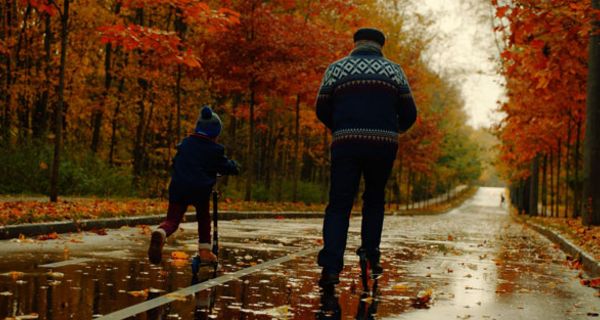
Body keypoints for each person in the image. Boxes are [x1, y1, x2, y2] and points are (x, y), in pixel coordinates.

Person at [315, 28, 417, 288]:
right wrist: (394, 130)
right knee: (374, 199)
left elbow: (322, 107)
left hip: (346, 143)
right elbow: (409, 112)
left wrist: (340, 128)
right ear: (381, 46)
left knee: (339, 203)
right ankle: (370, 255)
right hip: (383, 145)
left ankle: (331, 268)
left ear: (356, 43)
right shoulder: (394, 71)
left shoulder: (336, 70)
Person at [148, 106, 239, 265]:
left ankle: (161, 232)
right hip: (199, 190)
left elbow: (176, 162)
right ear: (215, 134)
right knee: (203, 218)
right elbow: (224, 166)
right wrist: (234, 167)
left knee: (172, 220)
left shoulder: (185, 143)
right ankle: (204, 251)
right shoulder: (215, 150)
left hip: (179, 186)